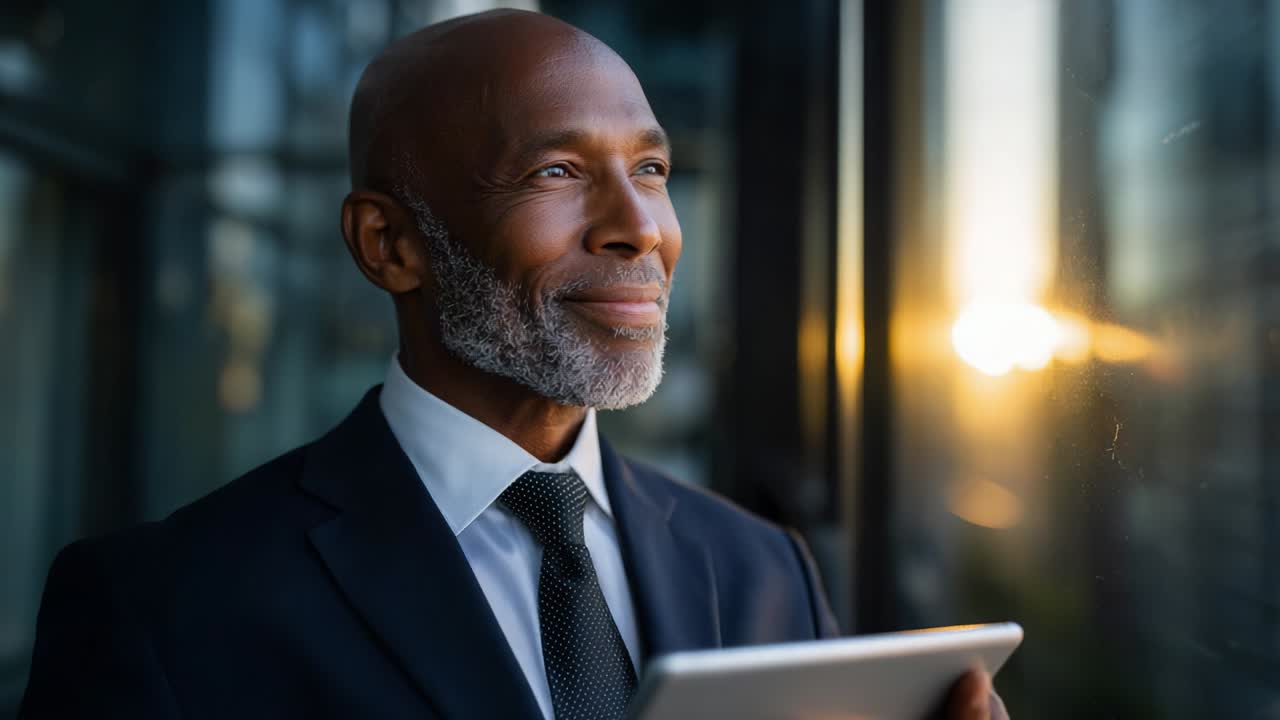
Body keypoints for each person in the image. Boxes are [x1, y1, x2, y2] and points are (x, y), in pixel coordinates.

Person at [20, 9, 1006, 720]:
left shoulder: (762, 570)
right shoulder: (166, 609)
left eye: (651, 170)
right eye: (557, 173)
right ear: (389, 244)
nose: (641, 231)